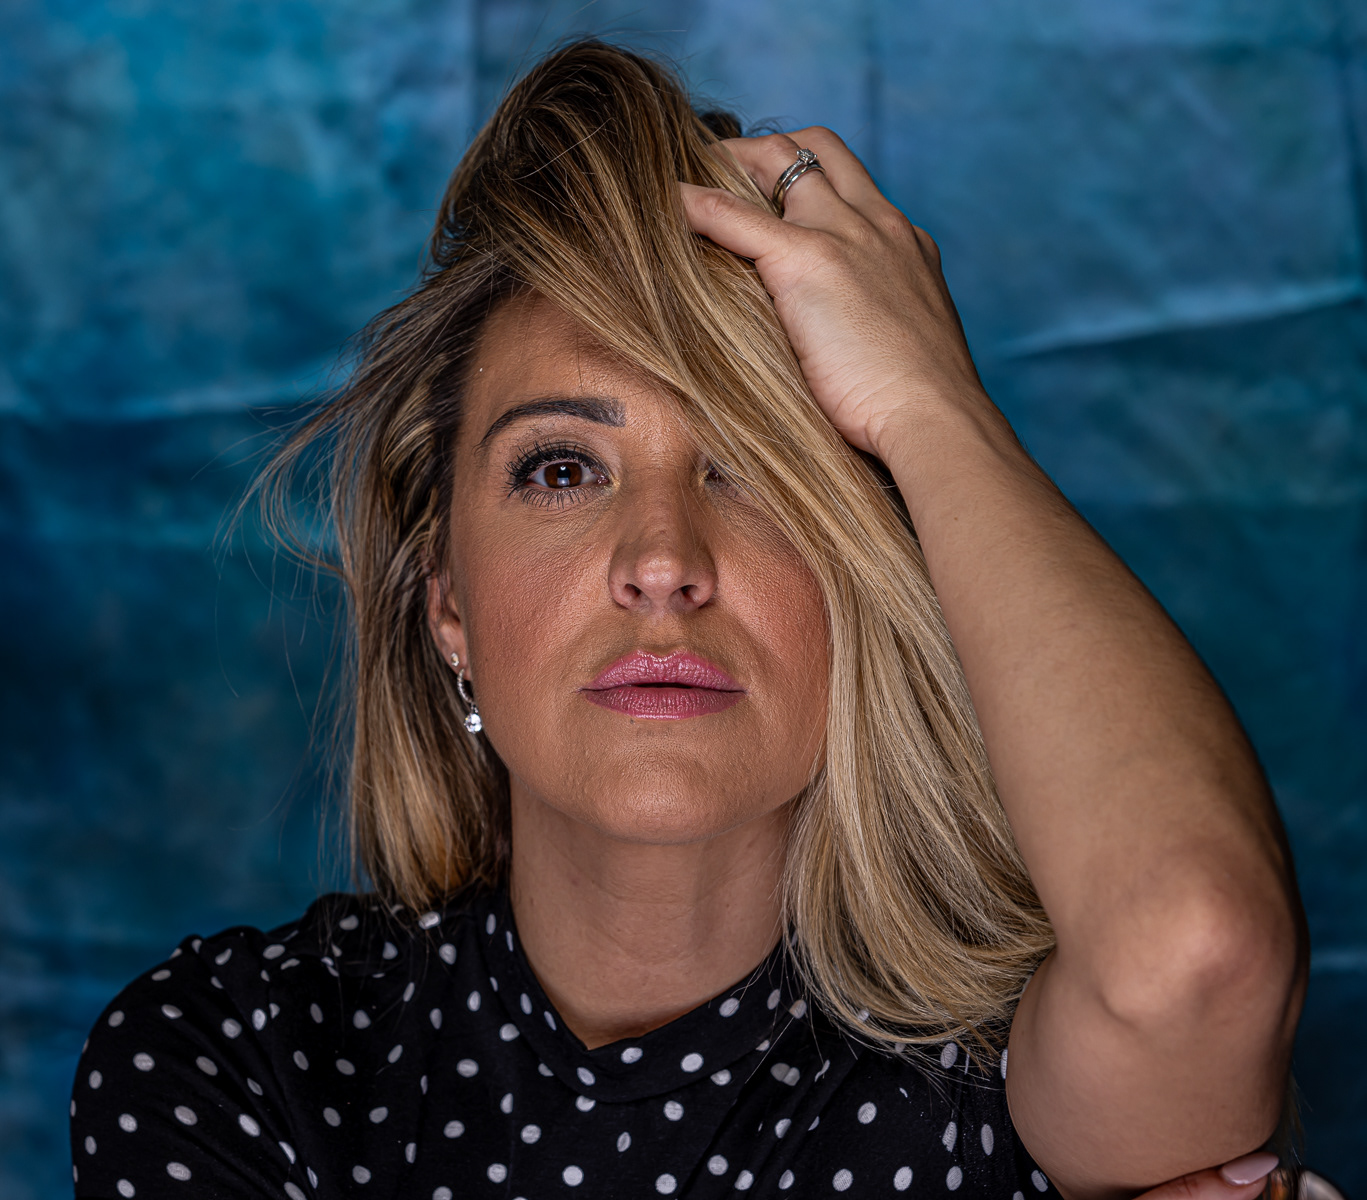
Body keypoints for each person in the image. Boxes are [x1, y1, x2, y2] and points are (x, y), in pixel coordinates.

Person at [70, 40, 1308, 1200]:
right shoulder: (239, 1056)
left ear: (865, 580)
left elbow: (1189, 950)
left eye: (755, 472)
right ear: (447, 606)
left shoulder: (1001, 1082)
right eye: (561, 469)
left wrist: (930, 407)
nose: (661, 562)